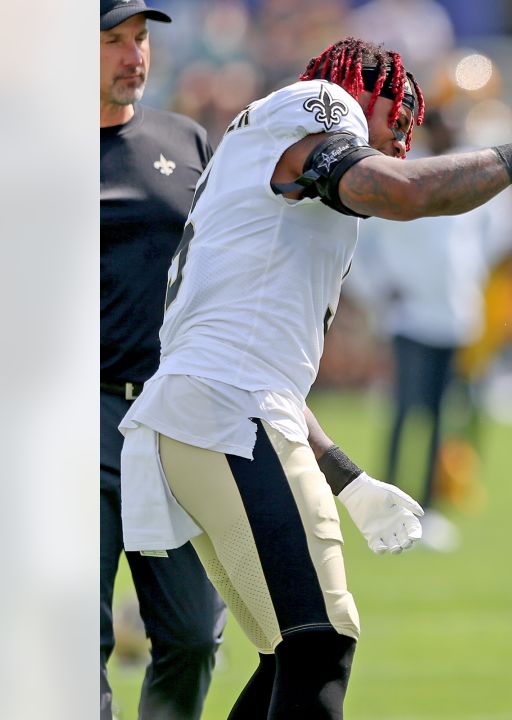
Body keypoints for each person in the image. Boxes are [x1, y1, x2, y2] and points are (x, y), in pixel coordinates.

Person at [117, 36, 512, 718]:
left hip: (218, 412)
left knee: (294, 651)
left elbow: (262, 364)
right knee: (320, 642)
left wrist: (348, 479)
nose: (402, 139)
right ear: (360, 91)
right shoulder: (318, 106)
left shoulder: (265, 157)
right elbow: (401, 193)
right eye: (398, 118)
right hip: (223, 414)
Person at [99, 2, 226, 718]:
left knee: (191, 635)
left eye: (140, 38)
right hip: (71, 416)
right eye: (112, 40)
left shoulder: (186, 139)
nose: (133, 55)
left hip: (173, 416)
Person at [351, 109, 512, 552]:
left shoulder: (470, 170)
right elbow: (359, 239)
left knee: (445, 416)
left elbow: (500, 225)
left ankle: (429, 508)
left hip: (457, 314)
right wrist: (379, 289)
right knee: (407, 412)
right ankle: (386, 507)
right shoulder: (404, 169)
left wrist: (472, 273)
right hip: (410, 315)